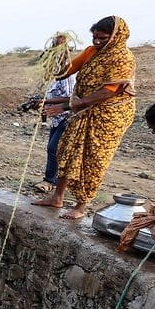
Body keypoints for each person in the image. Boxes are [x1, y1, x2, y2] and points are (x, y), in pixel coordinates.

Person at [33, 16, 136, 220]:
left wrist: (66, 105)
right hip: (81, 109)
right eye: (94, 37)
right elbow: (64, 73)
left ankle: (81, 206)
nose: (97, 42)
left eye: (102, 38)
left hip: (108, 116)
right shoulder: (91, 52)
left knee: (94, 158)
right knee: (66, 149)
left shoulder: (122, 58)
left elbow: (108, 91)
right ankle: (57, 197)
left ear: (117, 37)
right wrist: (58, 54)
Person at [30, 33, 77, 193]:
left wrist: (46, 102)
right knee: (53, 149)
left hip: (67, 117)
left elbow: (71, 98)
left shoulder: (68, 72)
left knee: (54, 149)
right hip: (56, 118)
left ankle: (51, 181)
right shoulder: (56, 74)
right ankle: (55, 181)